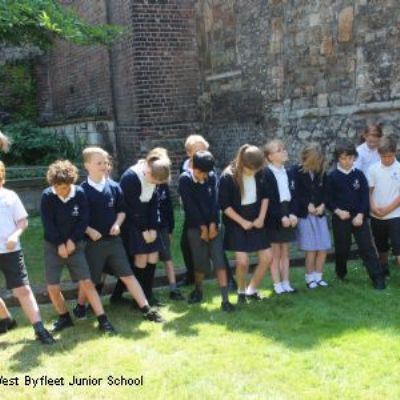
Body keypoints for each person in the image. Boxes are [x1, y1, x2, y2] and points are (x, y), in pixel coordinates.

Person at [74, 147, 164, 322]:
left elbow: (122, 211)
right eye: (98, 163)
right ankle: (80, 306)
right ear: (87, 166)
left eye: (105, 163)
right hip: (92, 244)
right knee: (90, 280)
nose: (104, 166)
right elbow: (76, 218)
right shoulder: (80, 191)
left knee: (128, 275)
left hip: (114, 242)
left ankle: (146, 309)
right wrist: (89, 230)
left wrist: (117, 224)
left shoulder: (114, 187)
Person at [40, 160, 116, 333]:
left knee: (87, 282)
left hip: (76, 244)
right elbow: (48, 224)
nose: (62, 190)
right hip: (53, 245)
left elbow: (83, 220)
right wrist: (60, 243)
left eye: (65, 187)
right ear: (53, 184)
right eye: (58, 187)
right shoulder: (47, 196)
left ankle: (103, 320)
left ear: (71, 182)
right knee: (52, 287)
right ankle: (64, 317)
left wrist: (72, 240)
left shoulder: (80, 193)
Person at [0, 160, 54, 343]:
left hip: (11, 251)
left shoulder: (10, 196)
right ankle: (6, 319)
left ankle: (40, 330)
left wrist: (15, 236)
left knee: (22, 290)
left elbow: (23, 222)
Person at [111, 148, 171, 306]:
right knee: (141, 257)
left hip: (146, 220)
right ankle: (139, 300)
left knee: (153, 255)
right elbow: (131, 208)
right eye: (155, 182)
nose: (156, 185)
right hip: (131, 221)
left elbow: (153, 203)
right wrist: (144, 230)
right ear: (148, 172)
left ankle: (148, 295)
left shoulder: (154, 175)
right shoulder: (131, 177)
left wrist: (152, 227)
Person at [326, 141, 386, 289]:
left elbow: (365, 197)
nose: (347, 161)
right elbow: (328, 199)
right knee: (342, 248)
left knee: (366, 247)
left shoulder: (359, 175)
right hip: (341, 217)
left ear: (355, 158)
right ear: (338, 159)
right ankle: (341, 272)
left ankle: (378, 278)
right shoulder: (332, 177)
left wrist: (360, 215)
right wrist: (338, 211)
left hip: (359, 217)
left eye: (350, 158)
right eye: (343, 158)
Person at [179, 151, 235, 311]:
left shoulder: (211, 176)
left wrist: (212, 225)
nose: (203, 177)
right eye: (200, 173)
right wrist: (202, 227)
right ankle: (198, 290)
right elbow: (190, 207)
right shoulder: (185, 180)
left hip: (213, 226)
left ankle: (225, 300)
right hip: (195, 227)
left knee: (219, 260)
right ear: (192, 167)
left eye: (206, 173)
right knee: (200, 262)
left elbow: (214, 202)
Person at [219, 144, 272, 304]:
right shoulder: (228, 176)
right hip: (236, 222)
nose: (254, 173)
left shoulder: (260, 171)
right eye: (251, 170)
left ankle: (252, 289)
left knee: (267, 258)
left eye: (256, 170)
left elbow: (265, 196)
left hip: (256, 220)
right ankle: (241, 292)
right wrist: (242, 222)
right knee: (242, 262)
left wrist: (261, 218)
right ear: (242, 163)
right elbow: (225, 206)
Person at [290, 143, 331, 288]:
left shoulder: (322, 172)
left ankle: (319, 276)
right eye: (314, 161)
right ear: (306, 158)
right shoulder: (295, 171)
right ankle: (310, 278)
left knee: (323, 247)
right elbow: (294, 194)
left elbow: (327, 192)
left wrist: (323, 205)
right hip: (305, 216)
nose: (317, 164)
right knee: (311, 248)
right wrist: (306, 204)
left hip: (319, 215)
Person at [264, 140, 297, 295]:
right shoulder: (267, 174)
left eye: (284, 148)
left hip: (287, 212)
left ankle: (286, 282)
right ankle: (277, 284)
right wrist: (281, 217)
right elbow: (269, 201)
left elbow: (293, 196)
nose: (284, 151)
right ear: (270, 157)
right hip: (274, 217)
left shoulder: (288, 172)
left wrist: (292, 213)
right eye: (279, 150)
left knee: (286, 252)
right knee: (275, 253)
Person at [368, 135, 400, 276]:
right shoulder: (373, 169)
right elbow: (369, 191)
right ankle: (383, 266)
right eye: (383, 156)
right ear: (379, 154)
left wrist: (387, 209)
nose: (386, 159)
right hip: (376, 215)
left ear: (395, 153)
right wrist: (373, 207)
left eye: (389, 156)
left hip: (395, 215)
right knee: (381, 246)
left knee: (398, 245)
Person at [156, 183, 185, 300]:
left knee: (167, 257)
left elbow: (169, 207)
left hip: (163, 226)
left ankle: (173, 288)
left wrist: (170, 228)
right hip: (149, 226)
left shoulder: (163, 185)